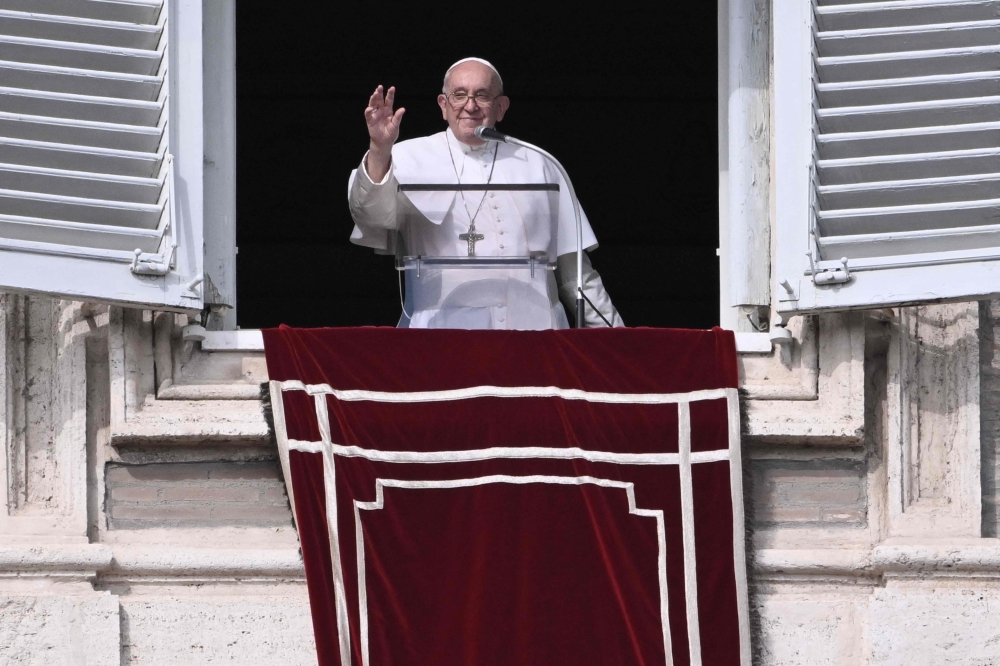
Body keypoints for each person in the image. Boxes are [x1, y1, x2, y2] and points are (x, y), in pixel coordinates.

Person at [348, 57, 623, 329]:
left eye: (482, 95)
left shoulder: (539, 163)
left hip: (538, 336)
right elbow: (372, 216)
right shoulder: (405, 157)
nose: (470, 106)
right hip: (443, 337)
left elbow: (574, 274)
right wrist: (379, 149)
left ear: (501, 107)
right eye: (459, 95)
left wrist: (616, 340)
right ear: (443, 105)